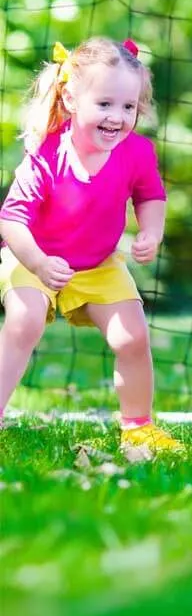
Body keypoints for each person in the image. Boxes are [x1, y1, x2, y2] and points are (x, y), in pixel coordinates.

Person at [0, 37, 182, 454]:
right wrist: (39, 263)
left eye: (128, 107)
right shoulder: (46, 152)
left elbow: (150, 196)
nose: (117, 117)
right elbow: (11, 219)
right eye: (105, 104)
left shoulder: (137, 152)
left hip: (98, 264)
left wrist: (151, 232)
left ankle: (138, 426)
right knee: (23, 322)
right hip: (32, 256)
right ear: (70, 98)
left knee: (132, 337)